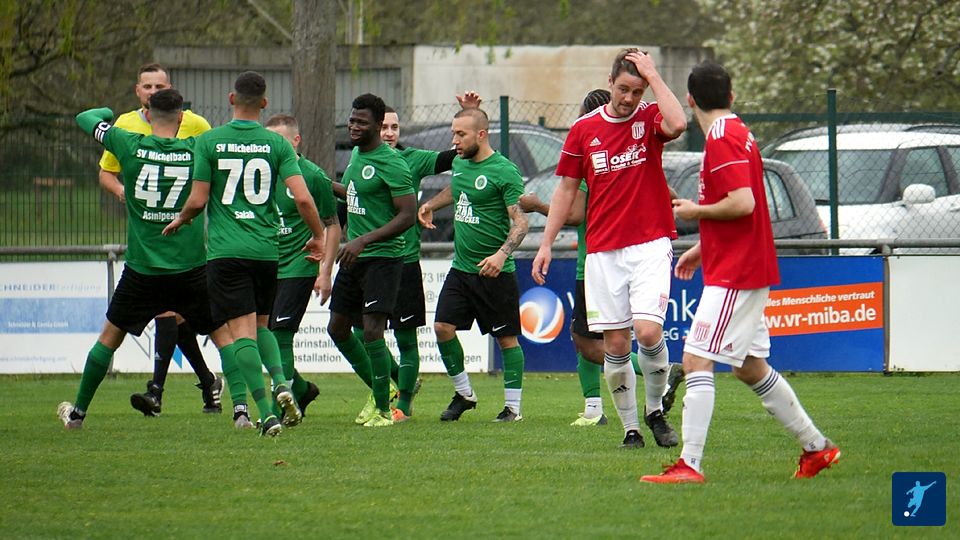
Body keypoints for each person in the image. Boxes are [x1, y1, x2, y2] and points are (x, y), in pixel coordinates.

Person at [640, 60, 840, 483]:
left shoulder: (722, 137)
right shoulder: (739, 132)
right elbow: (745, 208)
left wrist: (695, 211)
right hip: (742, 262)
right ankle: (817, 447)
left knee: (696, 359)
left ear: (689, 99)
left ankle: (689, 464)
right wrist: (702, 247)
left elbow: (743, 203)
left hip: (737, 271)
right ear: (731, 95)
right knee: (749, 366)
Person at [533, 49, 686, 448]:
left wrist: (654, 75)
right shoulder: (584, 129)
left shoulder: (649, 118)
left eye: (637, 90)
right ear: (610, 83)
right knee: (615, 344)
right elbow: (566, 189)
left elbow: (678, 123)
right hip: (602, 251)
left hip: (650, 243)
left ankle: (655, 410)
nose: (629, 98)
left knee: (648, 332)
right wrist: (546, 243)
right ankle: (631, 429)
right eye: (623, 89)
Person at [57, 89, 235, 430]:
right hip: (190, 268)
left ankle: (77, 415)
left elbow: (85, 118)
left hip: (143, 270)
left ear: (148, 115)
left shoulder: (128, 143)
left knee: (109, 338)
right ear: (181, 118)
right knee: (223, 336)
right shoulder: (197, 148)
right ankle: (241, 410)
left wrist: (108, 112)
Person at [163, 71, 326, 437]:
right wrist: (318, 236)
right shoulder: (277, 145)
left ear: (231, 99)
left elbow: (198, 200)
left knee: (241, 335)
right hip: (267, 253)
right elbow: (303, 199)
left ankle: (266, 414)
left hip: (226, 252)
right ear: (264, 103)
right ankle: (281, 382)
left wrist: (181, 219)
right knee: (263, 325)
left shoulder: (209, 141)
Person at [333, 95, 481, 424]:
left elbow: (457, 152)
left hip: (402, 258)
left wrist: (471, 114)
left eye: (394, 127)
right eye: (385, 126)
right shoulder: (358, 156)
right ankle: (393, 384)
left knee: (402, 335)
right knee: (356, 330)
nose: (389, 132)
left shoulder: (410, 160)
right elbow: (351, 200)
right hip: (363, 256)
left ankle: (402, 405)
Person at [94, 62, 223, 417]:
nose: (153, 91)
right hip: (147, 236)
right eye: (147, 86)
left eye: (159, 86)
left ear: (170, 90)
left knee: (169, 315)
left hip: (183, 241)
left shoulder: (195, 124)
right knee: (175, 319)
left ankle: (158, 391)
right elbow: (106, 173)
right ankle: (207, 383)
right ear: (138, 92)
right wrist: (123, 192)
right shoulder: (124, 125)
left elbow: (210, 170)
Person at [419, 107, 529, 422]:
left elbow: (521, 222)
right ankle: (464, 393)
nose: (454, 140)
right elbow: (457, 188)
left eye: (461, 134)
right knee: (442, 327)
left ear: (481, 135)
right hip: (461, 269)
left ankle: (513, 409)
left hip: (495, 272)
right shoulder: (459, 162)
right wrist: (430, 204)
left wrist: (501, 255)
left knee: (506, 339)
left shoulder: (504, 170)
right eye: (453, 133)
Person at [326, 93, 417, 427]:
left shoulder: (393, 163)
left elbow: (407, 215)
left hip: (384, 257)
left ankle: (382, 409)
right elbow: (355, 195)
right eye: (352, 120)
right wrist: (323, 184)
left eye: (361, 122)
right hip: (356, 256)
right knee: (337, 328)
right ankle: (386, 388)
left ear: (378, 126)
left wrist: (363, 239)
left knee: (372, 331)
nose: (353, 126)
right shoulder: (355, 156)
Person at [263, 113, 341, 419]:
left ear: (296, 141)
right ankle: (302, 388)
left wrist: (325, 271)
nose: (273, 149)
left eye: (279, 142)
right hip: (265, 264)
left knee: (281, 334)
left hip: (299, 264)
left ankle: (277, 410)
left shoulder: (312, 176)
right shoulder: (260, 175)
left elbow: (332, 224)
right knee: (262, 339)